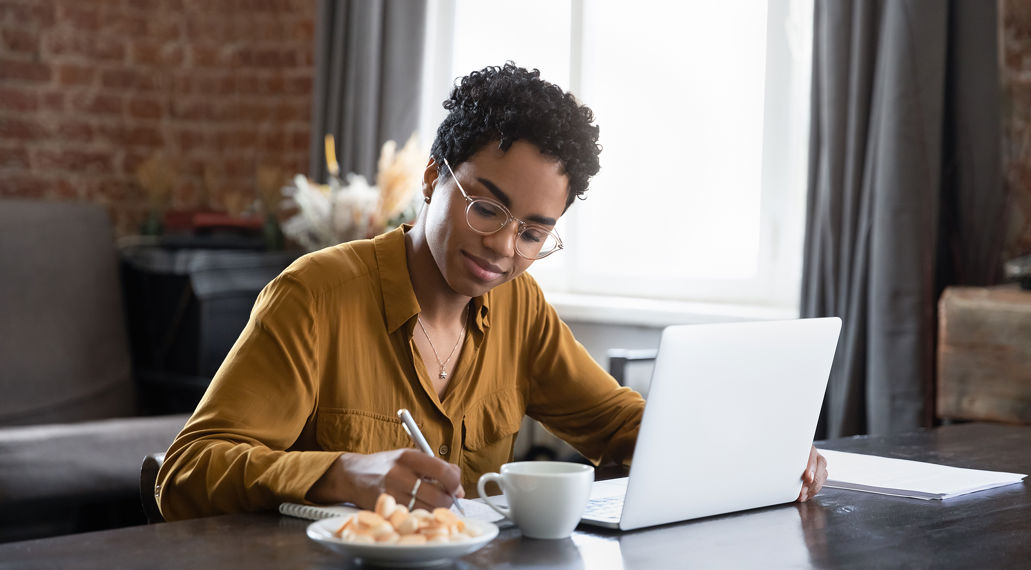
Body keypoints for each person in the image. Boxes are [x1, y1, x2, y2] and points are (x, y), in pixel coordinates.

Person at [156, 63, 827, 521]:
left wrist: (752, 448)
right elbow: (182, 474)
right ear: (430, 180)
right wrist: (341, 474)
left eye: (535, 233)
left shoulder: (519, 309)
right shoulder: (316, 295)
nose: (505, 248)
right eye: (486, 209)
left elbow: (616, 425)